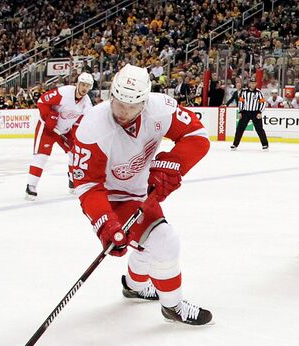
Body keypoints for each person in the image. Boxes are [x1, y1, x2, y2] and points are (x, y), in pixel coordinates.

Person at [71, 64, 212, 325]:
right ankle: (173, 306)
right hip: (110, 198)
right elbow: (88, 185)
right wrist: (105, 222)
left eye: (132, 106)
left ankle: (134, 286)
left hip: (140, 192)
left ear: (144, 101)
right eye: (119, 103)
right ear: (111, 95)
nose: (123, 112)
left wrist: (172, 164)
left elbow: (197, 136)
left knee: (149, 243)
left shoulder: (161, 108)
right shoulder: (91, 127)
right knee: (165, 241)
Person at [26, 72, 94, 200]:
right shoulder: (64, 92)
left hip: (65, 130)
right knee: (41, 156)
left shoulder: (87, 103)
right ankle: (31, 186)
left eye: (88, 86)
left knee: (75, 153)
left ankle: (72, 180)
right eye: (83, 84)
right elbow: (42, 101)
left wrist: (75, 137)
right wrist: (49, 116)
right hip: (47, 128)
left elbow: (80, 123)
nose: (85, 88)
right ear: (78, 84)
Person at [231, 77, 268, 150]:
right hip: (245, 112)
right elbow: (241, 102)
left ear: (256, 84)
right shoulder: (244, 92)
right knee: (240, 129)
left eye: (254, 83)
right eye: (251, 83)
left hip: (255, 112)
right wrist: (240, 111)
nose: (253, 84)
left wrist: (260, 112)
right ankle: (235, 144)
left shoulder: (259, 92)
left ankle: (265, 144)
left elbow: (263, 102)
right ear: (249, 84)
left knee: (259, 129)